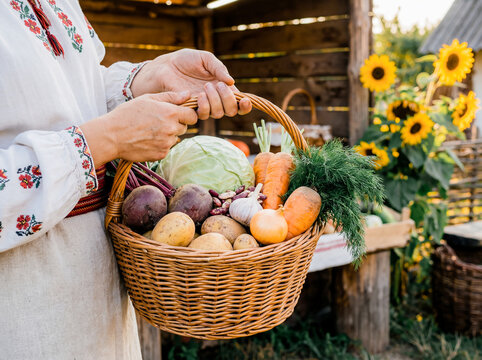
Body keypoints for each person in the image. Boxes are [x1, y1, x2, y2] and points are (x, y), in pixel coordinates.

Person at [0, 1, 252, 358]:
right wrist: (105, 140)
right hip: (22, 314)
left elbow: (73, 95)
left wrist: (148, 78)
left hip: (99, 292)